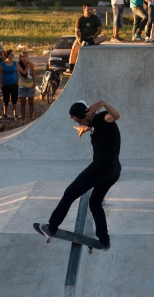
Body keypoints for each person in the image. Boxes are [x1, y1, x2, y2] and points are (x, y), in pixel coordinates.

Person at [38, 100, 122, 251]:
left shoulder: (102, 118)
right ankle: (104, 241)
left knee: (70, 193)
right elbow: (93, 128)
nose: (81, 125)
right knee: (95, 203)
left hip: (99, 169)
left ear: (88, 113)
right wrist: (84, 128)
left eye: (80, 121)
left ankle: (51, 228)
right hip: (113, 171)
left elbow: (116, 115)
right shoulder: (93, 125)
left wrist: (102, 103)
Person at [69, 3, 107, 73]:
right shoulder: (80, 19)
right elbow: (77, 31)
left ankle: (89, 43)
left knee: (104, 36)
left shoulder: (95, 18)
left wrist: (94, 36)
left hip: (92, 38)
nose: (89, 11)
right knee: (74, 48)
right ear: (83, 10)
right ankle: (71, 68)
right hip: (83, 38)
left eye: (90, 9)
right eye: (87, 10)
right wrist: (79, 39)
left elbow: (99, 29)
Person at [17, 52, 36, 121]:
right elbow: (24, 72)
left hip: (30, 85)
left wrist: (34, 83)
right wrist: (28, 65)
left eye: (25, 56)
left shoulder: (31, 64)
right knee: (23, 103)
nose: (24, 58)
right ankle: (23, 118)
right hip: (22, 86)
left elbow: (33, 74)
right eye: (22, 56)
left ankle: (30, 118)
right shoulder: (19, 64)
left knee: (31, 102)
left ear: (27, 57)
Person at [0, 50, 18, 119]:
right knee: (6, 99)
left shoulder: (15, 63)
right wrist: (1, 83)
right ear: (8, 55)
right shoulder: (3, 64)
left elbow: (17, 73)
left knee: (14, 99)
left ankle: (15, 113)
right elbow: (1, 74)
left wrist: (17, 82)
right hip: (5, 83)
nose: (13, 56)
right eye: (11, 55)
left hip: (14, 83)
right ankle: (5, 113)